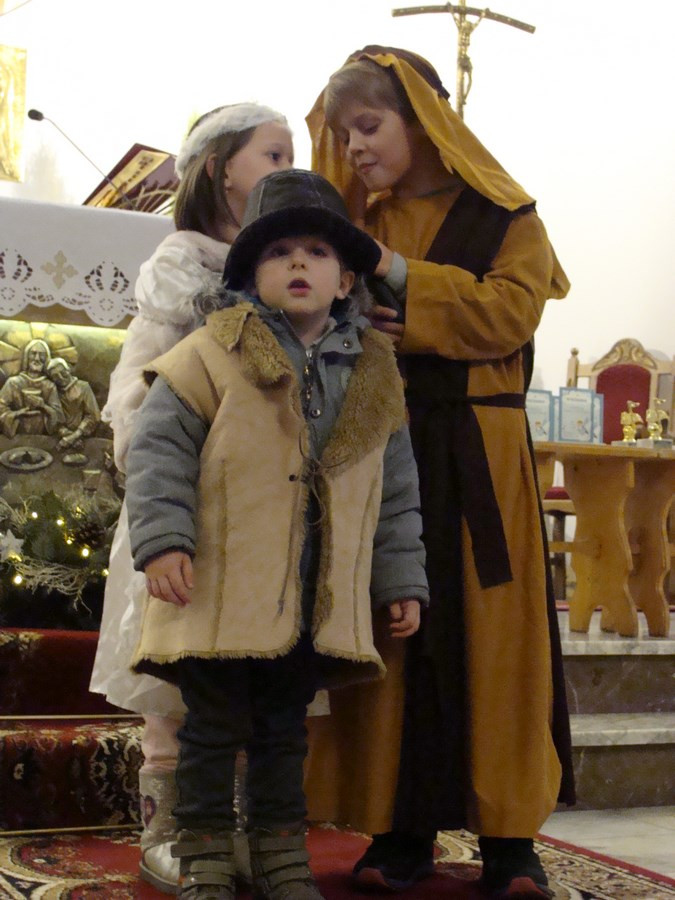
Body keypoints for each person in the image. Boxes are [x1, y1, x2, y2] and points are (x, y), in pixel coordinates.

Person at [304, 46, 575, 898]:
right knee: (391, 630)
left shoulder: (505, 216)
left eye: (369, 126)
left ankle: (509, 844)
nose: (354, 147)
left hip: (479, 453)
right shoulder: (358, 217)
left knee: (496, 641)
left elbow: (508, 313)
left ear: (422, 122)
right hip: (385, 441)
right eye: (344, 133)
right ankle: (398, 831)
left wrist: (396, 275)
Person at [123, 168, 429, 900]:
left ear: (346, 279)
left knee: (284, 733)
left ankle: (279, 851)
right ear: (249, 274)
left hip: (310, 598)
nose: (298, 263)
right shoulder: (210, 352)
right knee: (211, 728)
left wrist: (400, 578)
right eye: (279, 251)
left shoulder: (376, 373)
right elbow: (158, 451)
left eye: (317, 252)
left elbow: (394, 490)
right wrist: (164, 541)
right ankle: (202, 850)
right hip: (221, 589)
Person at [88, 102, 294, 893]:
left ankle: (224, 831)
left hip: (258, 508)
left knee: (239, 673)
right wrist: (159, 467)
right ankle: (167, 834)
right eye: (272, 153)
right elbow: (146, 376)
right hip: (186, 496)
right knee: (173, 679)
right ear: (220, 167)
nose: (285, 166)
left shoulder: (281, 259)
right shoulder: (184, 262)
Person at [0, 338, 64, 437]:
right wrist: (18, 413)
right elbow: (1, 408)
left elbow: (59, 417)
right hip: (16, 437)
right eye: (33, 354)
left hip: (42, 438)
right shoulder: (13, 383)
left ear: (46, 358)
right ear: (27, 356)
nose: (37, 358)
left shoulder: (49, 386)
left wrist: (43, 406)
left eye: (41, 355)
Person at [47, 356, 101, 451]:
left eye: (63, 373)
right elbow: (54, 417)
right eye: (55, 376)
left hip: (84, 437)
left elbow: (93, 415)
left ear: (68, 370)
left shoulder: (83, 387)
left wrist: (75, 436)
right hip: (61, 438)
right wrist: (67, 434)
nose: (60, 378)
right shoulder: (53, 392)